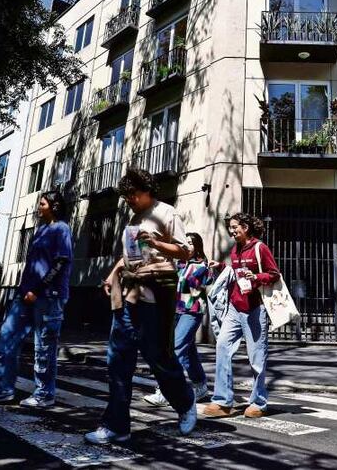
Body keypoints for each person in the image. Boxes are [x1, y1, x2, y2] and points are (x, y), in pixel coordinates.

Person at [85, 168, 197, 445]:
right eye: (126, 196)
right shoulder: (133, 218)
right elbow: (129, 256)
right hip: (128, 293)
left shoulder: (166, 212)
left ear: (147, 190)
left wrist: (156, 242)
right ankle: (116, 426)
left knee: (158, 356)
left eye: (132, 194)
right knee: (118, 359)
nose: (129, 200)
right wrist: (112, 275)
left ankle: (185, 403)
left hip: (155, 294)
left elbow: (185, 251)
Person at [0, 190, 72, 408]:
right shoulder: (40, 230)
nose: (39, 207)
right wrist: (24, 289)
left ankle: (44, 394)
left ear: (54, 207)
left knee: (44, 347)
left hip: (48, 297)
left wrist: (38, 289)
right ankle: (2, 389)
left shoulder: (61, 228)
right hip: (25, 294)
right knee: (6, 337)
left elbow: (60, 262)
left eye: (43, 204)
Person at [202, 212, 280, 419]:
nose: (232, 230)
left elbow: (274, 274)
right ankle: (222, 401)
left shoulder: (259, 248)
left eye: (235, 226)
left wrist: (256, 277)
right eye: (230, 227)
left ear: (246, 227)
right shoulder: (235, 250)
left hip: (255, 309)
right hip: (234, 309)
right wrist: (221, 267)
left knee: (257, 358)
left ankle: (258, 402)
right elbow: (235, 272)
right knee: (222, 347)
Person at [143, 232, 213, 407]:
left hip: (193, 311)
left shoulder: (203, 266)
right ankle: (200, 386)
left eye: (191, 243)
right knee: (189, 352)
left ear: (197, 246)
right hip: (176, 311)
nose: (187, 246)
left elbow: (210, 286)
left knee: (175, 349)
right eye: (185, 243)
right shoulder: (178, 264)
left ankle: (165, 392)